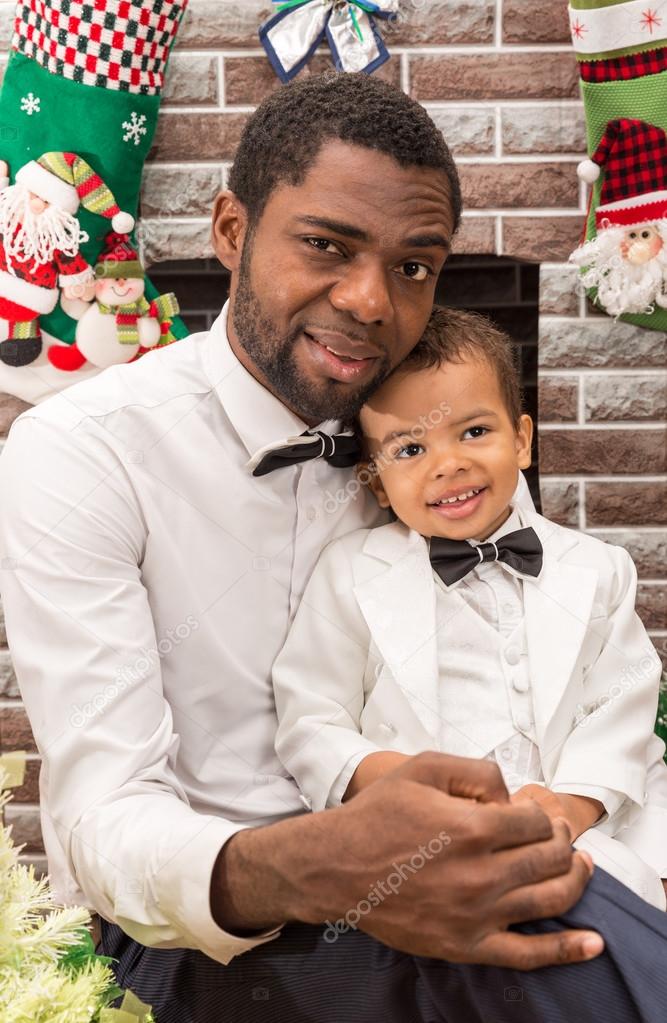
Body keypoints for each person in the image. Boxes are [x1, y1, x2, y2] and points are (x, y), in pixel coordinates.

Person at [0, 73, 665, 1023]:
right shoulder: (83, 453)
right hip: (207, 937)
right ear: (231, 230)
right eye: (325, 245)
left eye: (413, 266)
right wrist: (320, 867)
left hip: (448, 885)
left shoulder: (427, 436)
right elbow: (103, 820)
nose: (367, 301)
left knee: (575, 905)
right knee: (580, 944)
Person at [273, 305, 667, 913]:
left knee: (617, 922)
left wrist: (572, 808)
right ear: (376, 483)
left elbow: (621, 705)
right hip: (425, 842)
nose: (447, 463)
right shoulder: (349, 573)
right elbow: (311, 719)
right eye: (408, 449)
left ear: (523, 440)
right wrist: (402, 784)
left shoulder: (597, 568)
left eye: (474, 432)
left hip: (584, 828)